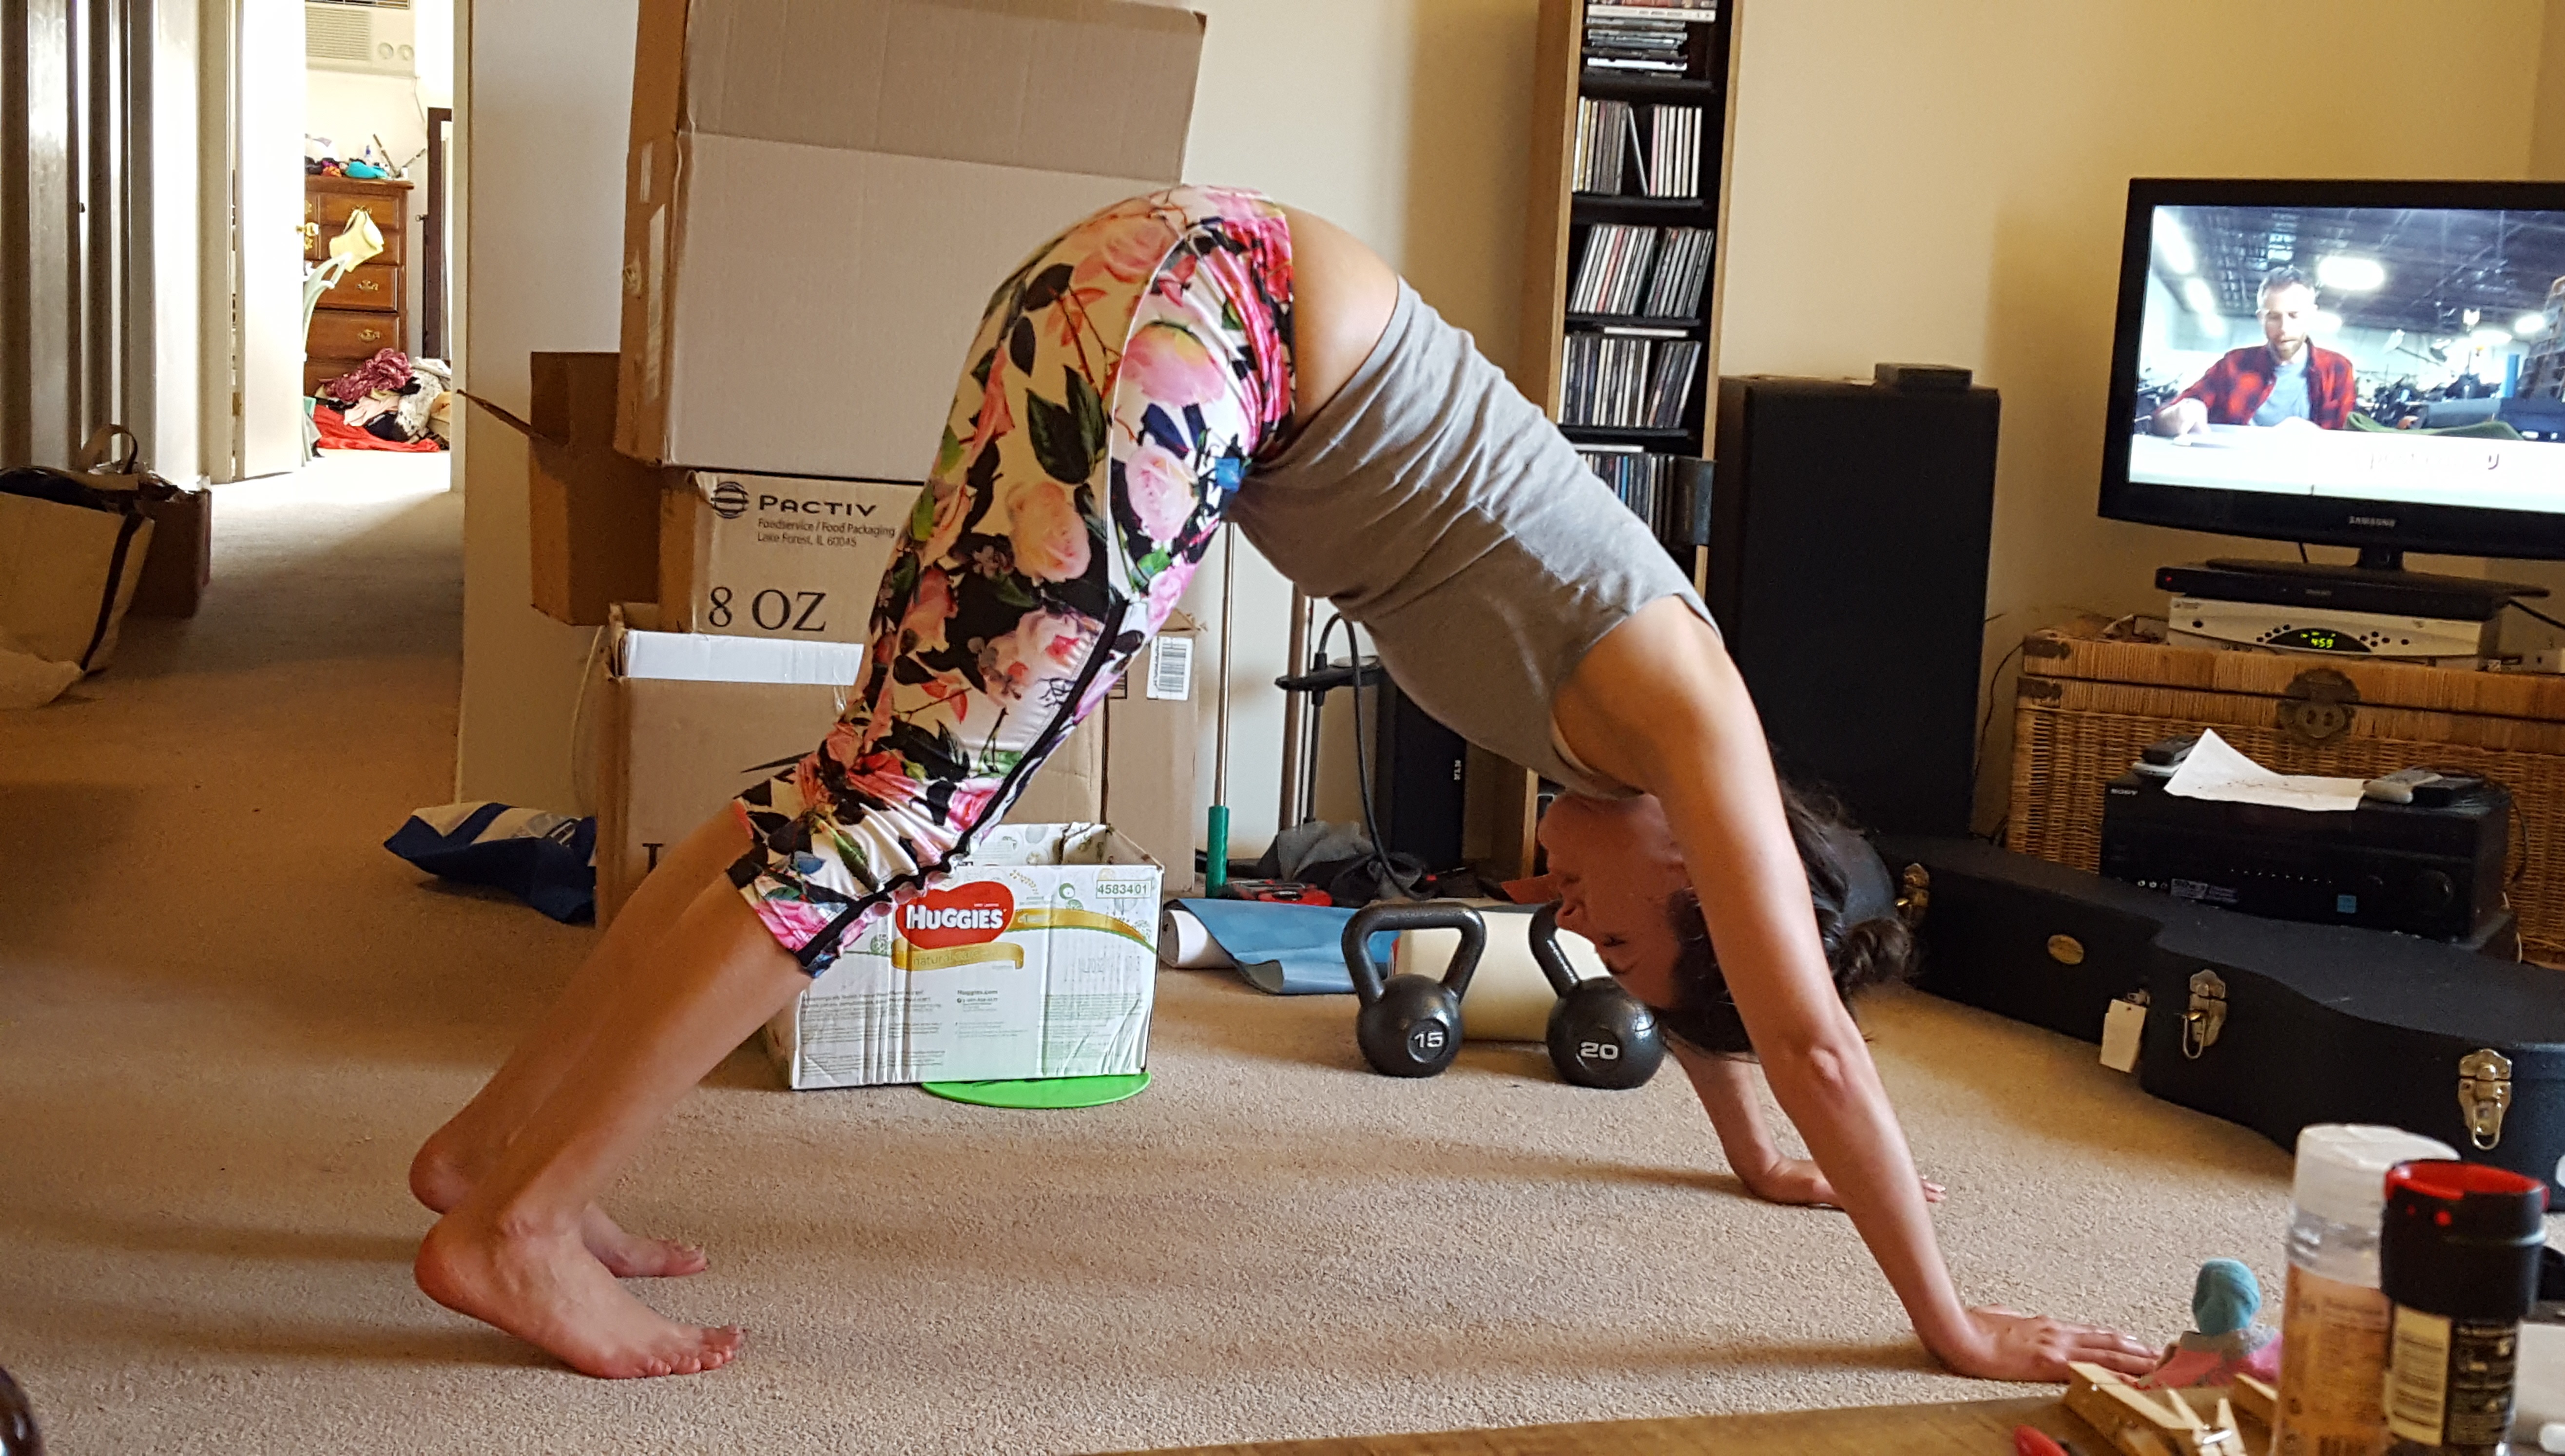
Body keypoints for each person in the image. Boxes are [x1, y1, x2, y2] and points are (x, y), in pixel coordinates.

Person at [407, 186, 2161, 1383]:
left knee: (863, 780)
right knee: (895, 813)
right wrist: (1944, 1318)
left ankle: (503, 1141)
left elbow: (1730, 1001)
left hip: (1152, 291)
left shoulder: (1662, 774)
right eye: (1614, 944)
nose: (1560, 924)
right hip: (1202, 322)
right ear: (1717, 872)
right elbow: (1801, 1027)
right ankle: (524, 1215)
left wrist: (1757, 1155)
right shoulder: (1691, 714)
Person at [2151, 265, 2356, 435]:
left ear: (2311, 316)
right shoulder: (2233, 365)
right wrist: (2180, 414)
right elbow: (2162, 418)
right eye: (2273, 317)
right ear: (2261, 319)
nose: (2284, 328)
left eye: (2294, 316)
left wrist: (2315, 436)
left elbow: (2343, 443)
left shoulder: (2338, 370)